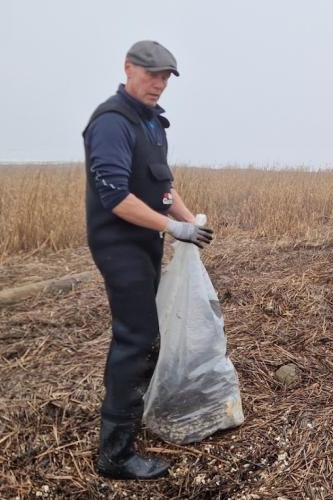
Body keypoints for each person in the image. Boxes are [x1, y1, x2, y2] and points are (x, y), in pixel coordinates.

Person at [83, 40, 214, 480]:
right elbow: (115, 196)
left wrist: (187, 221)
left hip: (145, 244)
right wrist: (170, 227)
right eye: (151, 74)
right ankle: (115, 455)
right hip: (119, 246)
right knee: (135, 338)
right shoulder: (112, 122)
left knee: (145, 334)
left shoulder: (153, 124)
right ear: (128, 68)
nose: (158, 84)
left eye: (165, 77)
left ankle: (131, 416)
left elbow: (162, 186)